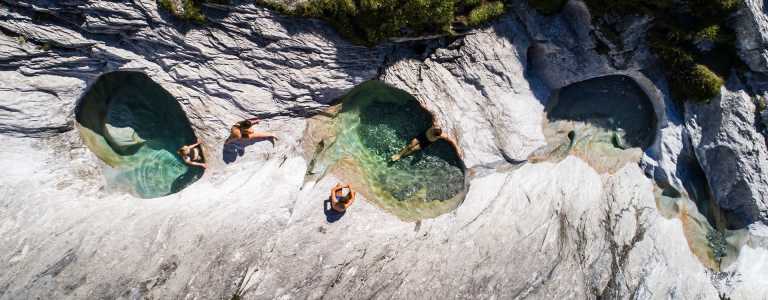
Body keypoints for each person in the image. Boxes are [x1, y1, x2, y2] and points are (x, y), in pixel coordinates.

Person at [390, 126, 458, 161]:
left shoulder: (441, 135)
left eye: (433, 131)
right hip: (422, 136)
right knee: (410, 145)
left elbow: (452, 140)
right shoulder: (434, 126)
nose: (433, 130)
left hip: (427, 142)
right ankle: (399, 155)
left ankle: (402, 157)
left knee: (413, 149)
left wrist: (458, 148)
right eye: (433, 129)